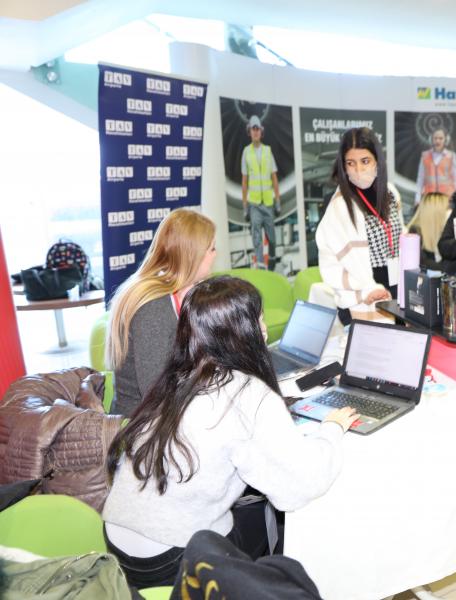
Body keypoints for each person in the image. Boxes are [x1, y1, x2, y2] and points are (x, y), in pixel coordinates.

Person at [102, 276, 358, 588]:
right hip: (172, 559)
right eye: (259, 319)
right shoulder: (247, 395)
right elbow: (301, 486)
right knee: (275, 519)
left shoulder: (177, 376)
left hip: (118, 544)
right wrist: (332, 429)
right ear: (244, 330)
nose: (265, 328)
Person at [106, 208, 216, 417]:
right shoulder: (153, 308)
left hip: (163, 412)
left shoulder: (171, 291)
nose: (215, 255)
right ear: (193, 255)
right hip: (144, 423)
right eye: (212, 249)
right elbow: (156, 393)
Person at [316, 127, 404, 325]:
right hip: (361, 297)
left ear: (377, 161)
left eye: (365, 161)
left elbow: (399, 235)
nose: (358, 170)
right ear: (343, 166)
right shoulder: (340, 206)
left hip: (395, 288)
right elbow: (330, 263)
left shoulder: (390, 193)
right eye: (351, 163)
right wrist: (366, 289)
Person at [241, 115, 281, 270]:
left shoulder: (267, 151)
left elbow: (274, 177)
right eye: (253, 129)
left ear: (261, 132)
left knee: (272, 238)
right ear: (249, 132)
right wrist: (245, 205)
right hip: (255, 204)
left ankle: (272, 258)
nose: (256, 131)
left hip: (268, 203)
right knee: (256, 236)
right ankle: (260, 265)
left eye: (258, 129)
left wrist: (278, 200)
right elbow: (244, 180)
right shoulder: (246, 152)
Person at [415, 127, 456, 204]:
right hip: (429, 199)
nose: (437, 141)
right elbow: (420, 179)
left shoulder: (451, 156)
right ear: (431, 140)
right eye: (435, 138)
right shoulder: (425, 156)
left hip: (447, 199)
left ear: (446, 140)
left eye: (440, 138)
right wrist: (417, 199)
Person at [407, 192, 451, 270]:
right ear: (436, 213)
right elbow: (424, 262)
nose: (450, 212)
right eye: (447, 208)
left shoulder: (442, 232)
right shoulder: (414, 234)